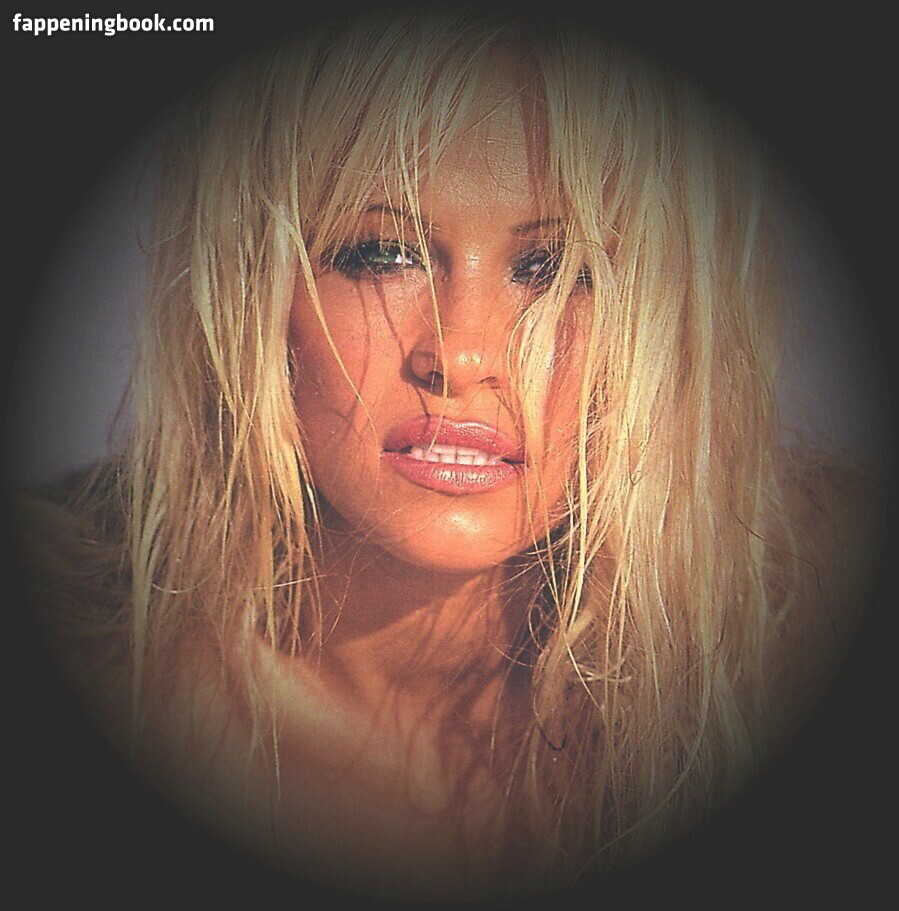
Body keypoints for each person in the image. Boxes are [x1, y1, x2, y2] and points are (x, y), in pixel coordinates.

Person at [15, 9, 885, 903]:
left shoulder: (816, 617)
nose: (461, 355)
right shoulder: (78, 655)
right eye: (381, 253)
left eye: (555, 268)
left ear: (668, 319)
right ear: (253, 291)